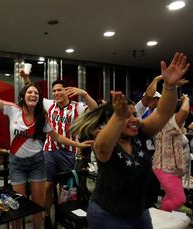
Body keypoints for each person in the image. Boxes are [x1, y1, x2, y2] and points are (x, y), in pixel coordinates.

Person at [0, 75, 93, 229]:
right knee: (17, 205)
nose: (33, 95)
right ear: (23, 96)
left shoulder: (42, 119)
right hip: (17, 163)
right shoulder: (13, 110)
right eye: (29, 92)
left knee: (38, 205)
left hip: (37, 163)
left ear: (39, 99)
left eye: (36, 93)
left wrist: (78, 144)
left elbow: (58, 137)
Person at [70, 52, 190, 229]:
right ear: (113, 120)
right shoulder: (105, 144)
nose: (134, 119)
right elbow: (102, 146)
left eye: (134, 114)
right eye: (128, 116)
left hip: (139, 212)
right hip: (109, 216)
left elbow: (163, 113)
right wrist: (119, 117)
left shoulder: (139, 133)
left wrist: (170, 87)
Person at [21, 72, 97, 226]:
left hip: (69, 152)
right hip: (49, 149)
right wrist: (26, 79)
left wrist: (84, 94)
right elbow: (32, 94)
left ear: (67, 91)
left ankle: (63, 215)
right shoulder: (49, 104)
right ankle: (47, 216)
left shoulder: (78, 107)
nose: (56, 93)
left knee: (65, 188)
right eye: (54, 91)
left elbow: (95, 109)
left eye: (59, 90)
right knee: (48, 186)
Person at [153, 94, 190, 212]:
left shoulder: (172, 125)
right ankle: (165, 217)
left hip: (173, 169)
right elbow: (184, 111)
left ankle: (165, 218)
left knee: (171, 197)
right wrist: (187, 99)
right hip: (164, 168)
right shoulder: (169, 123)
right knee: (179, 199)